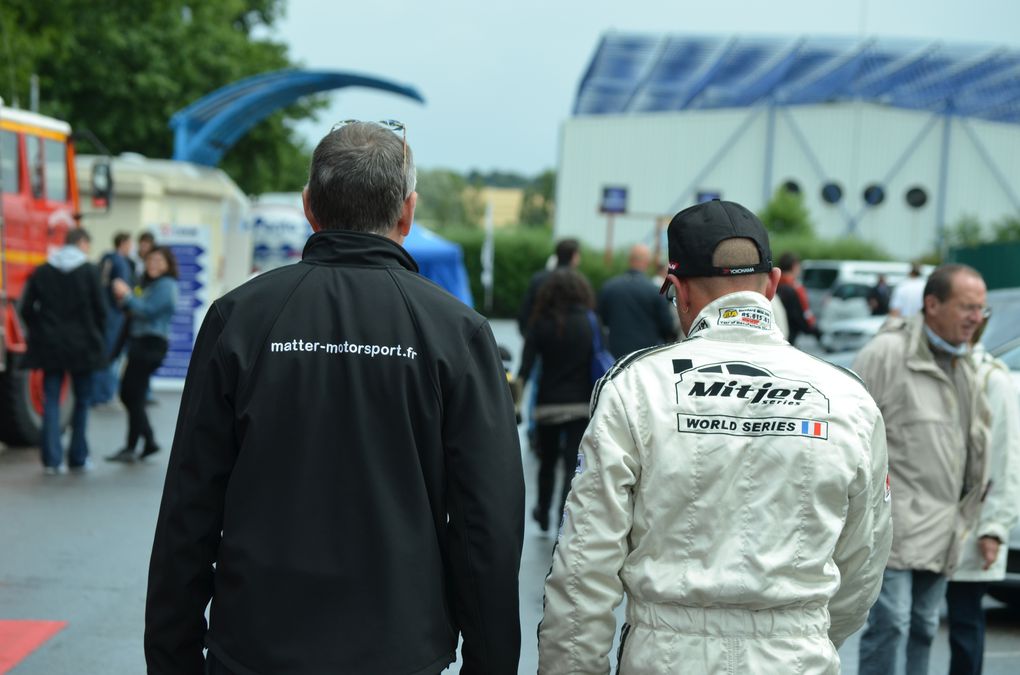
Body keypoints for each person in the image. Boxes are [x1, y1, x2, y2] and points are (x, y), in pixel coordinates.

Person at [144, 120, 524, 675]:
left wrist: (172, 658)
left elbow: (190, 505)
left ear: (308, 207)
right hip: (400, 650)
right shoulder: (455, 333)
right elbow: (485, 524)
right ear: (407, 212)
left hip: (255, 648)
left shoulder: (240, 320)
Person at [539, 199, 892, 673]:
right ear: (773, 285)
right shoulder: (847, 397)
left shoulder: (637, 386)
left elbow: (585, 562)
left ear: (679, 290)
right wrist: (803, 633)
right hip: (796, 656)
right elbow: (863, 561)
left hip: (666, 656)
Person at [855, 263, 990, 675]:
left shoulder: (965, 363)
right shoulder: (886, 354)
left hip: (943, 525)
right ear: (931, 305)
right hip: (893, 525)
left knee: (925, 627)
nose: (975, 318)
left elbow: (976, 448)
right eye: (966, 307)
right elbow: (852, 436)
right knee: (891, 624)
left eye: (981, 309)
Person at [945, 315, 1020, 675]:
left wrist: (994, 528)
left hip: (970, 522)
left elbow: (1006, 459)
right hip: (924, 522)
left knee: (964, 623)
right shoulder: (931, 369)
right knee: (910, 623)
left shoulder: (992, 378)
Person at [517, 268, 598, 532]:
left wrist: (515, 403)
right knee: (571, 466)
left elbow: (525, 369)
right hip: (579, 406)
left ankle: (542, 510)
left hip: (547, 406)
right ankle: (564, 518)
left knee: (547, 463)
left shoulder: (540, 323)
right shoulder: (589, 322)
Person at [20, 228, 106, 475]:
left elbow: (26, 308)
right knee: (82, 401)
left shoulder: (43, 270)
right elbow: (100, 309)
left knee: (51, 402)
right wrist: (96, 334)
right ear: (81, 242)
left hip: (50, 345)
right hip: (83, 345)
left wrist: (40, 330)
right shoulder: (90, 271)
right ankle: (78, 457)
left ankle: (51, 459)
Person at [105, 246, 179, 462]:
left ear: (167, 264)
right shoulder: (148, 284)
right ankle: (146, 442)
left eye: (158, 260)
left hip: (151, 344)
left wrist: (127, 295)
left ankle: (138, 444)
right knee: (132, 394)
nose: (153, 264)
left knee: (130, 393)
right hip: (140, 344)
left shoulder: (166, 285)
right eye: (149, 260)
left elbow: (148, 310)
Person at [597, 243, 676, 358]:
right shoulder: (655, 291)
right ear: (647, 263)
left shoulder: (609, 287)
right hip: (644, 357)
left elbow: (601, 321)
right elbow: (667, 326)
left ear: (629, 260)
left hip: (614, 356)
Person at [92, 232, 136, 405]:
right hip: (115, 316)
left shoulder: (105, 259)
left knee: (101, 353)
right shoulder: (121, 263)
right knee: (110, 355)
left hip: (102, 313)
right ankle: (103, 394)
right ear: (123, 243)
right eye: (129, 243)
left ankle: (96, 393)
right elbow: (122, 292)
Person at [516, 237, 581, 336]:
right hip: (569, 338)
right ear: (574, 256)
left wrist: (528, 335)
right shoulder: (578, 282)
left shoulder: (538, 278)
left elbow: (526, 310)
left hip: (540, 337)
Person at [775, 251, 821, 345]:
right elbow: (803, 315)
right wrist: (816, 332)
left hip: (775, 333)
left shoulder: (774, 285)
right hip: (790, 336)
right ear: (794, 266)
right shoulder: (795, 288)